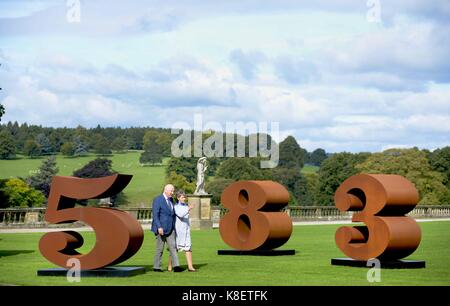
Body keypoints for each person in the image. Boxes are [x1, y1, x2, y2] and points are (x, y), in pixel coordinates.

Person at [151, 184, 182, 272]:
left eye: (173, 191)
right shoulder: (157, 199)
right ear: (165, 190)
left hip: (171, 228)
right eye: (171, 191)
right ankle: (157, 267)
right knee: (159, 249)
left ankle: (176, 266)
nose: (172, 193)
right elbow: (155, 215)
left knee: (173, 247)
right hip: (161, 228)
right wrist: (159, 227)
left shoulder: (171, 200)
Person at [168, 190, 196, 272]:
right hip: (178, 231)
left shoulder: (185, 206)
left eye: (184, 197)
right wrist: (189, 208)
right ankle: (170, 266)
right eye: (183, 197)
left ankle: (190, 267)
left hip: (186, 230)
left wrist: (188, 208)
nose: (184, 198)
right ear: (178, 198)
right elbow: (180, 214)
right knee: (174, 249)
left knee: (188, 248)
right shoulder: (175, 207)